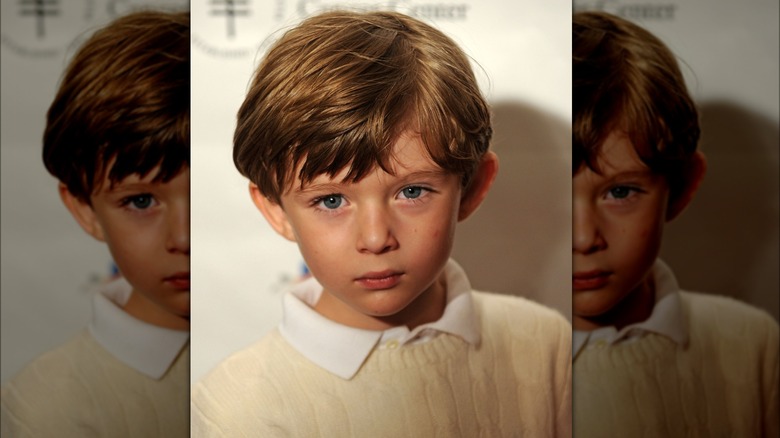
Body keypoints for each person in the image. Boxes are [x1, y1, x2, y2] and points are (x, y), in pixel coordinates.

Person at [192, 10, 571, 437]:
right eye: (331, 200)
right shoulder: (236, 404)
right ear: (276, 210)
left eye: (412, 193)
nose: (375, 239)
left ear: (472, 187)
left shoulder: (546, 344)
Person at [572, 11, 778, 436]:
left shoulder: (751, 344)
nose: (583, 238)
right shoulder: (493, 355)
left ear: (682, 187)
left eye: (621, 192)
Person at [0, 10, 190, 437]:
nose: (184, 236)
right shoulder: (49, 404)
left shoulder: (274, 367)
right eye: (141, 200)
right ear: (86, 210)